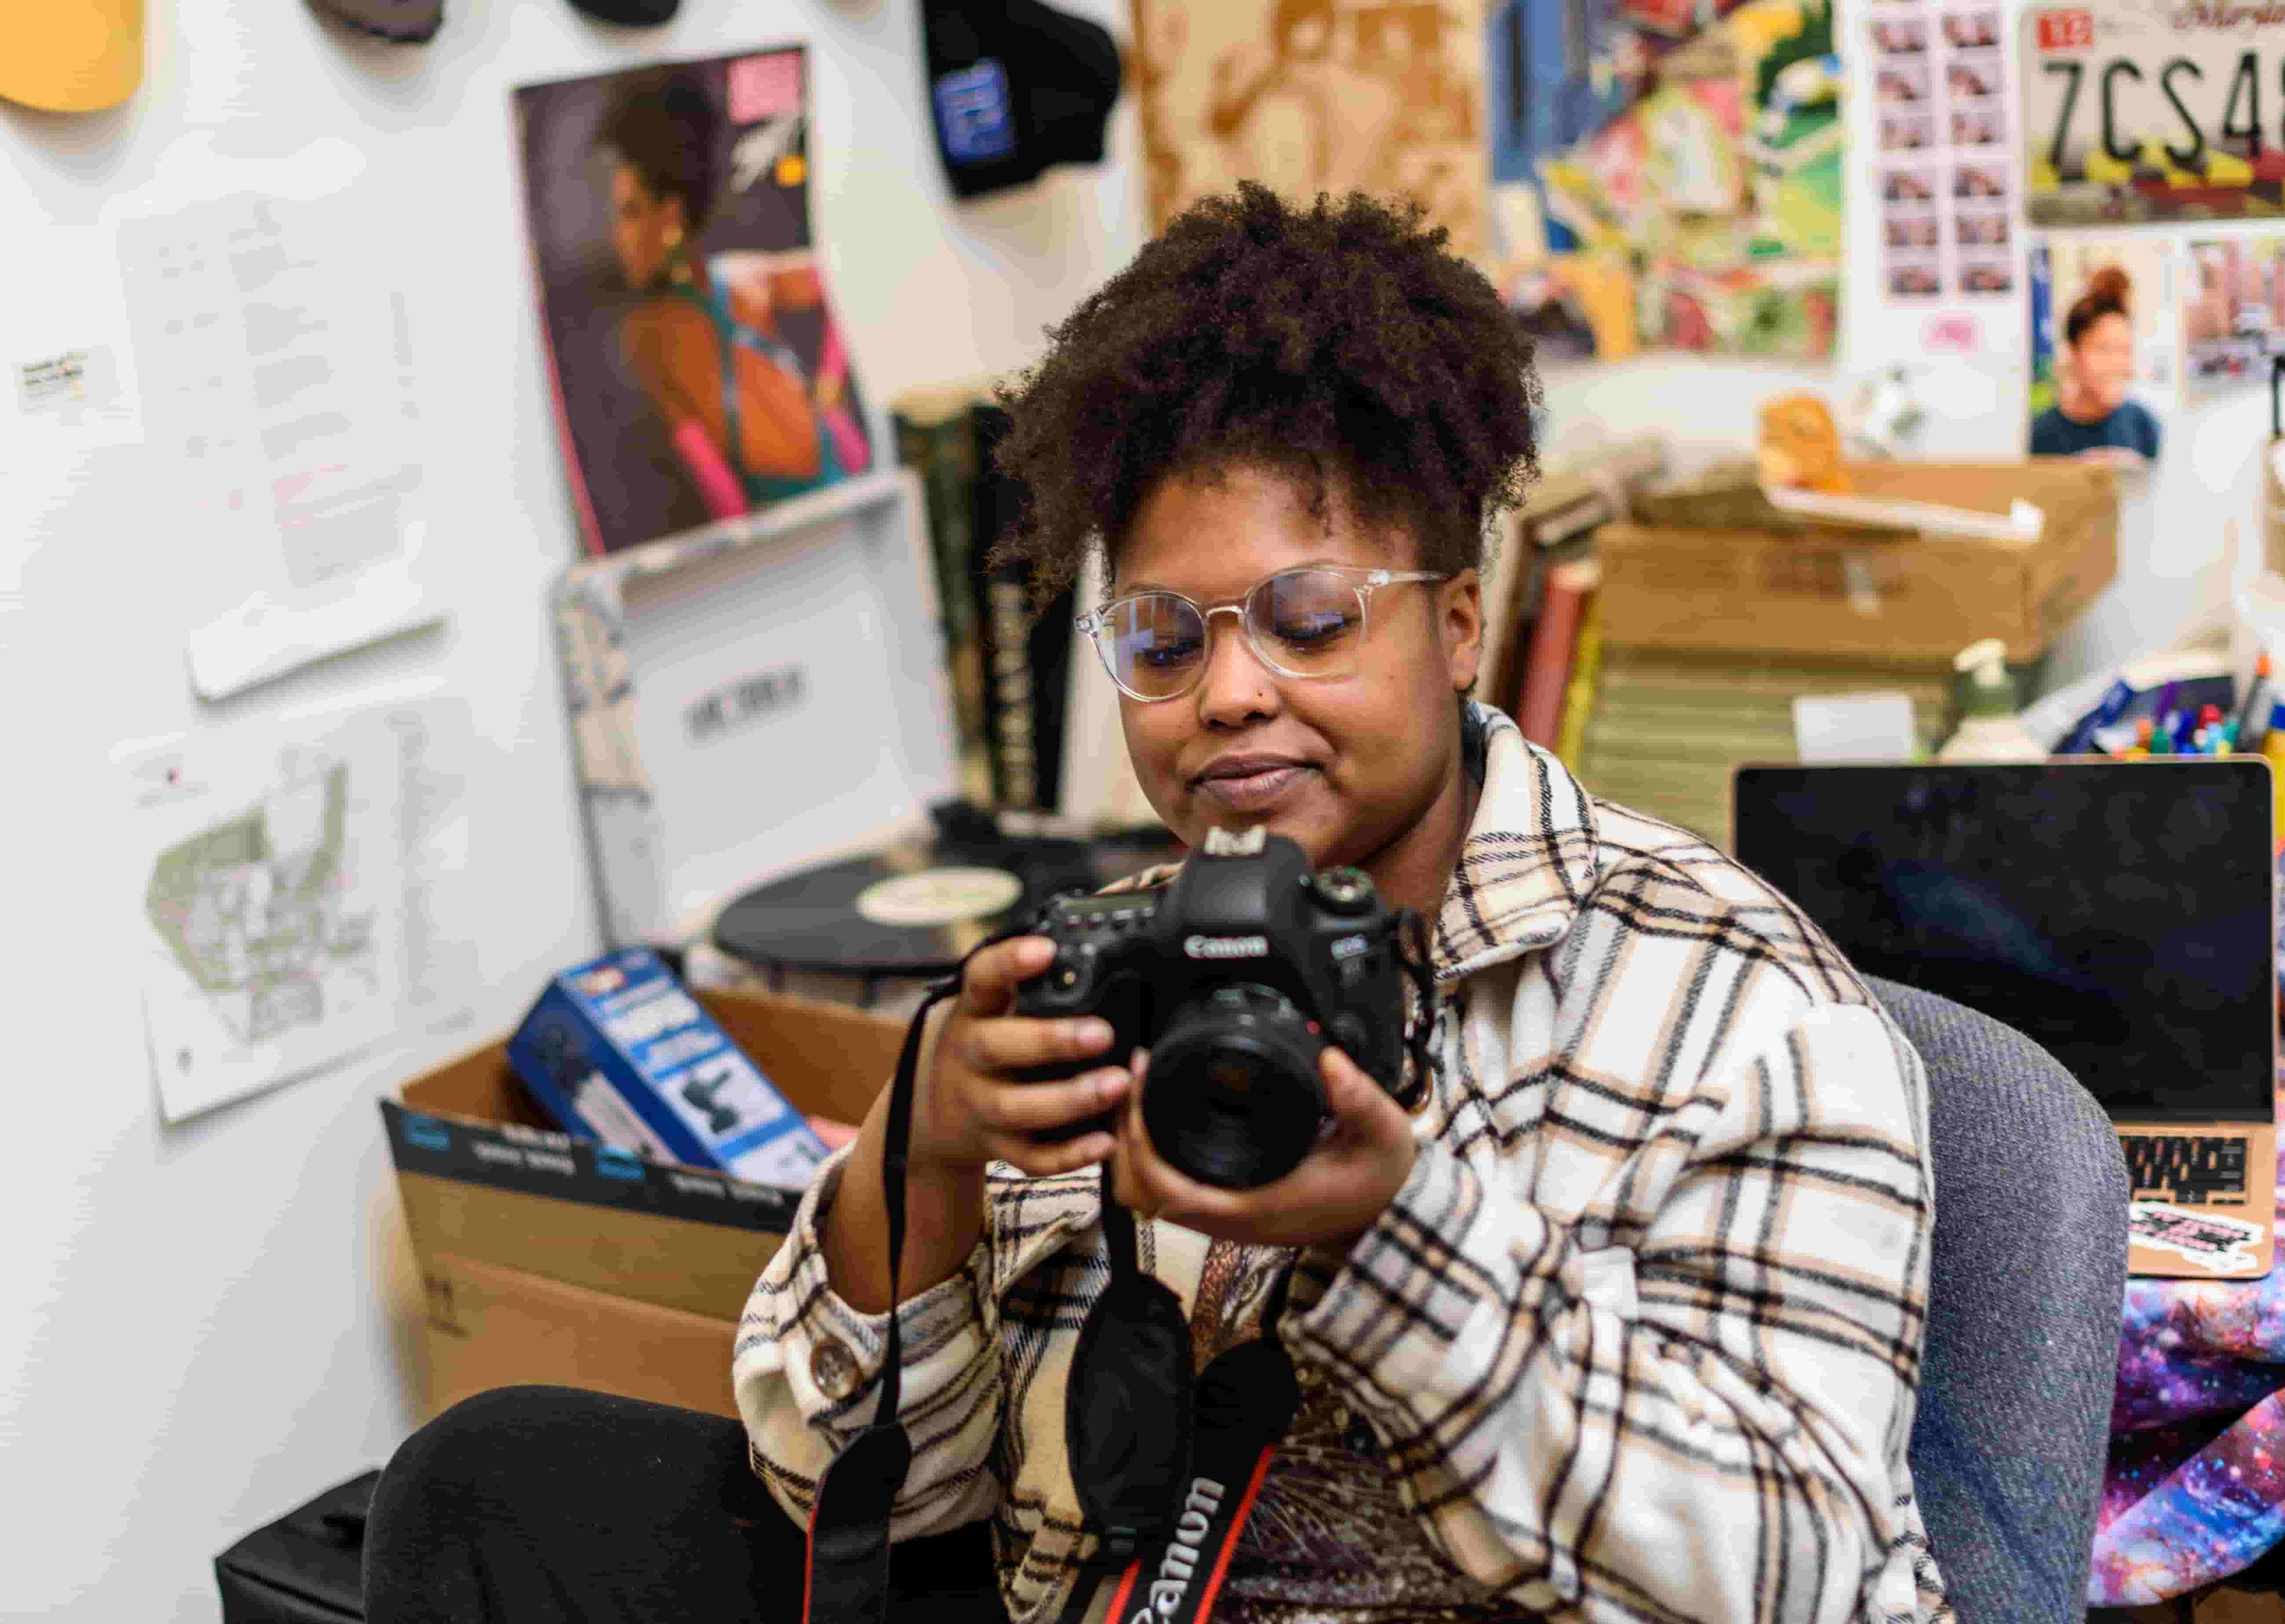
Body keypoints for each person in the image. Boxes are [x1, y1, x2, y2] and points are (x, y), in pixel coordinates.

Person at [365, 185, 1950, 1624]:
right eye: (1165, 642)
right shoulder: (1098, 969)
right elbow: (871, 1497)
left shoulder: (1737, 1009)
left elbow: (1797, 1573)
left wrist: (1392, 1235)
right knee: (488, 1477)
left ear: (1459, 623)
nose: (1231, 695)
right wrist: (910, 1168)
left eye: (1310, 619)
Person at [596, 76, 867, 519]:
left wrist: (832, 383)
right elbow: (704, 463)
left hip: (842, 462)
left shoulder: (743, 278)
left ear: (671, 214)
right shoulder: (644, 334)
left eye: (630, 212)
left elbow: (847, 274)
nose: (616, 236)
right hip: (780, 503)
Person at [2031, 265, 2161, 465]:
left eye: (2125, 351)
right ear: (2073, 353)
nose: (2116, 364)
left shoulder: (2145, 425)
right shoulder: (2039, 434)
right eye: (2103, 349)